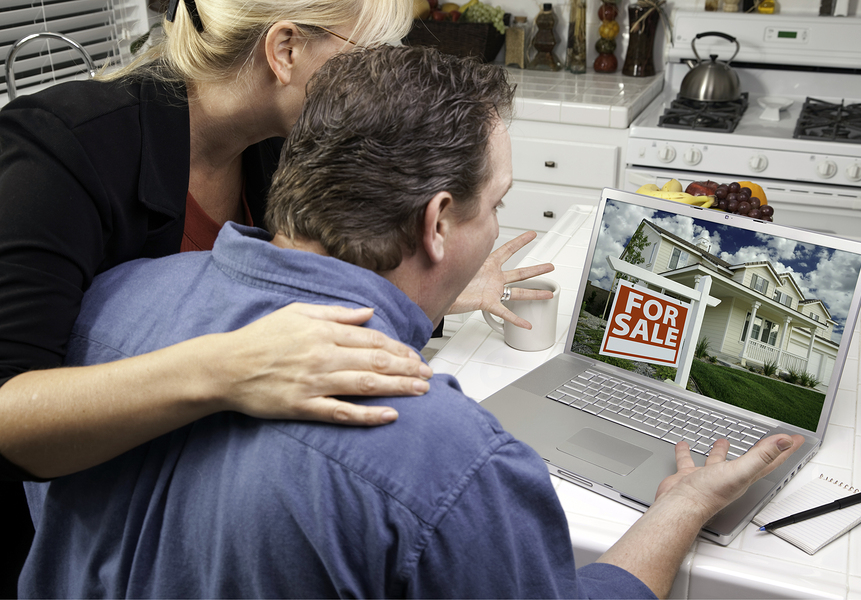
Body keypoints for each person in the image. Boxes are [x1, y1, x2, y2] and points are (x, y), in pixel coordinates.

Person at [20, 45, 804, 599]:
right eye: (495, 204)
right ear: (436, 223)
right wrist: (682, 506)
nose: (497, 225)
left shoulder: (110, 303)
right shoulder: (451, 461)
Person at [0, 0, 551, 482]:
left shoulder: (278, 142)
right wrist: (227, 368)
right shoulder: (59, 152)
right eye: (367, 55)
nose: (383, 77)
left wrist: (432, 282)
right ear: (285, 50)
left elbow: (305, 284)